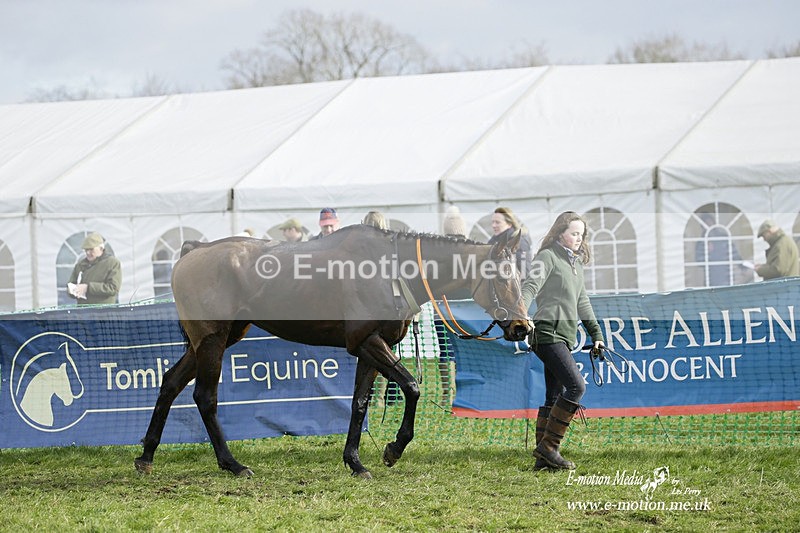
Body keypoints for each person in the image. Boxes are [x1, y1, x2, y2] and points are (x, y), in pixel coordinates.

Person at [521, 211, 605, 471]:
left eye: (581, 234)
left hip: (564, 336)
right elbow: (529, 287)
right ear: (560, 234)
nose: (578, 239)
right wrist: (521, 313)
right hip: (547, 333)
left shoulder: (575, 264)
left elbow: (583, 302)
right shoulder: (547, 257)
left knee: (554, 395)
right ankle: (549, 447)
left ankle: (542, 460)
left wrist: (597, 335)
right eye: (573, 233)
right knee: (576, 387)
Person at [66, 232, 122, 305]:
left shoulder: (112, 263)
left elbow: (113, 288)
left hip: (104, 312)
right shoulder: (80, 265)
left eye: (91, 249)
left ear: (101, 248)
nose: (88, 253)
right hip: (83, 312)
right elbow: (71, 283)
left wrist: (88, 287)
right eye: (86, 250)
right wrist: (73, 291)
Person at [488, 207, 532, 276]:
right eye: (492, 222)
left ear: (509, 224)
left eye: (497, 222)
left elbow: (524, 273)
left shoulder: (520, 242)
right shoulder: (492, 242)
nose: (493, 225)